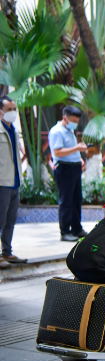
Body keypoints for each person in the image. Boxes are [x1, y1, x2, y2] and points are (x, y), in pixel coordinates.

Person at [49, 105, 88, 242]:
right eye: (73, 120)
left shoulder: (69, 130)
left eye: (77, 120)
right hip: (64, 169)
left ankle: (76, 228)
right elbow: (58, 152)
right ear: (64, 118)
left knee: (76, 199)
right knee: (66, 201)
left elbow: (69, 150)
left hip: (74, 167)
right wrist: (77, 148)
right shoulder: (57, 132)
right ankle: (65, 231)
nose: (75, 123)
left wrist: (78, 158)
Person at [0, 96, 26, 268]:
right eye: (9, 109)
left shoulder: (14, 131)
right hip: (2, 182)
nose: (13, 112)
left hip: (14, 181)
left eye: (14, 109)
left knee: (10, 220)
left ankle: (7, 252)